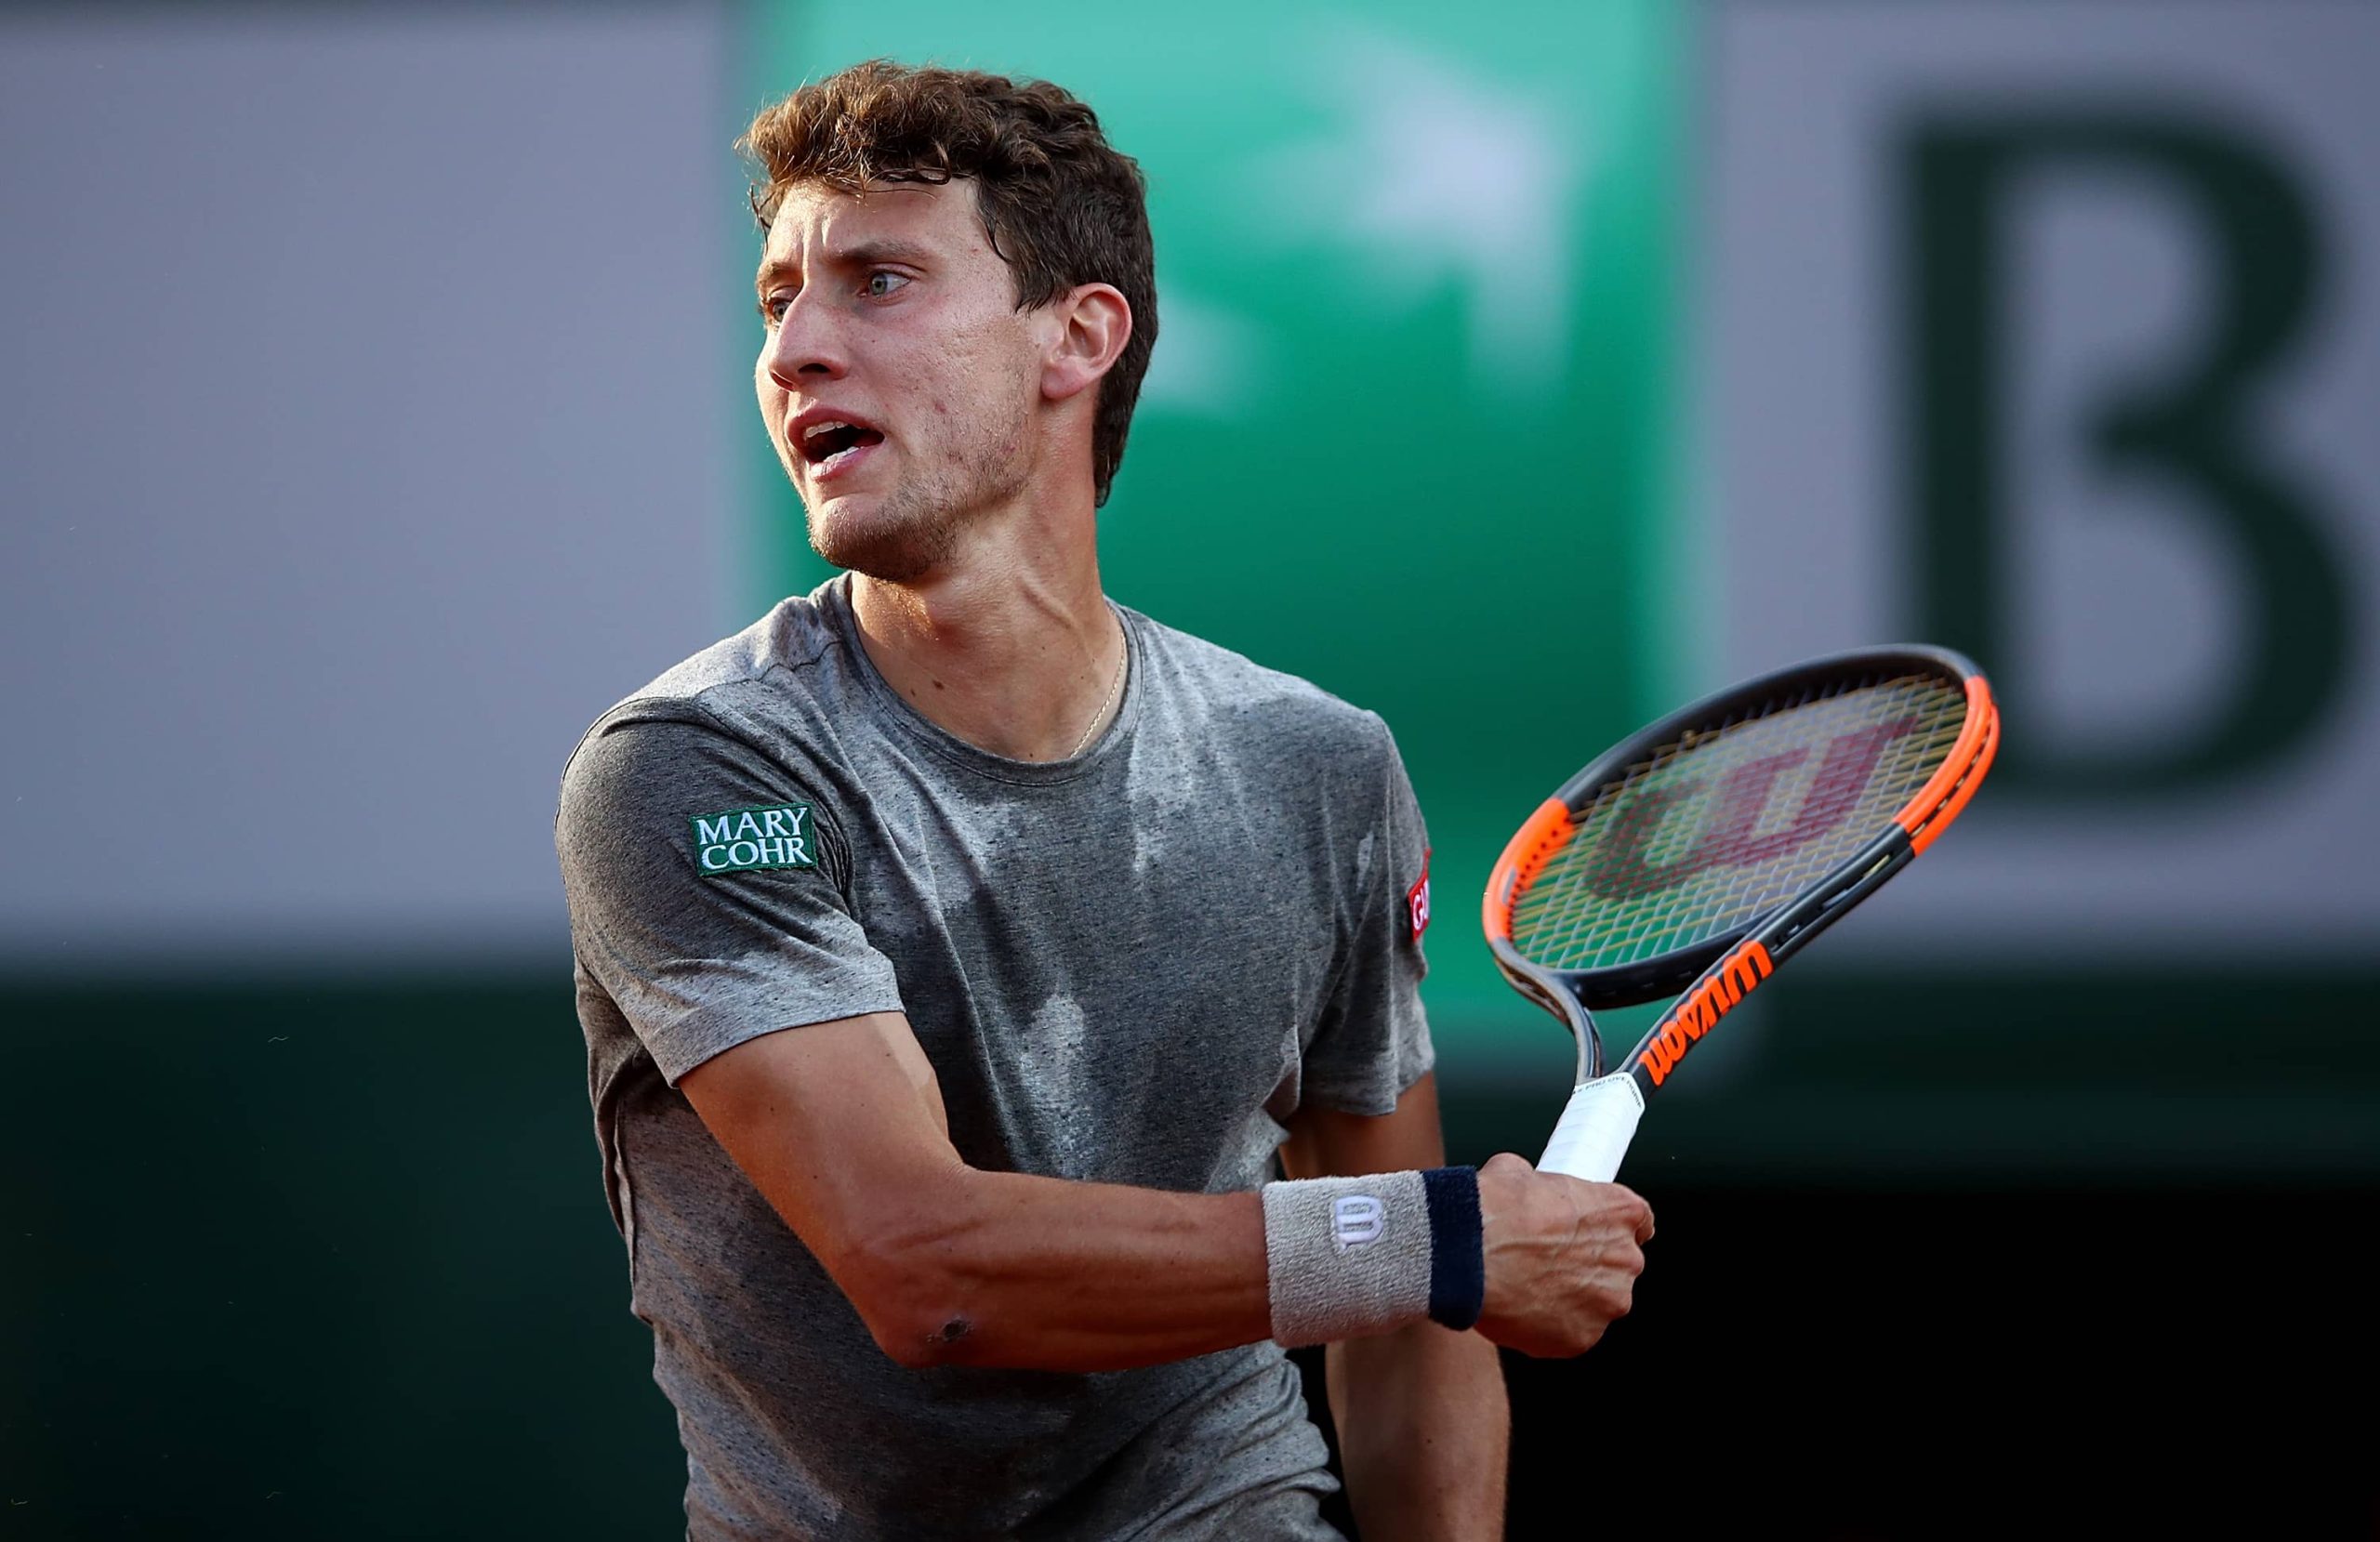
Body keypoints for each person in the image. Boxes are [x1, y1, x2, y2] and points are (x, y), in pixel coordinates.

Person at [555, 60, 1654, 1541]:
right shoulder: (696, 767)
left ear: (1078, 336)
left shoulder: (1317, 766)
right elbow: (928, 1271)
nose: (797, 348)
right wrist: (1440, 1237)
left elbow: (1407, 1328)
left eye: (880, 281)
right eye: (778, 301)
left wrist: (1422, 1253)